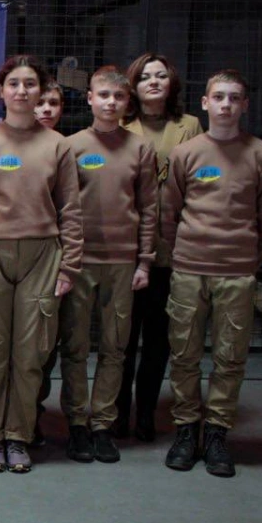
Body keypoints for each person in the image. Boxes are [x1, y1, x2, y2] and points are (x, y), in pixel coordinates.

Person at [0, 54, 82, 474]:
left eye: (30, 84)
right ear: (1, 91)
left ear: (41, 91)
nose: (22, 91)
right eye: (14, 84)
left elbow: (71, 210)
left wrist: (69, 266)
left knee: (30, 353)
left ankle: (18, 436)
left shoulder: (58, 145)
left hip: (43, 256)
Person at [161, 69, 262, 478]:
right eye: (219, 97)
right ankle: (186, 430)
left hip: (237, 272)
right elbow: (168, 211)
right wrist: (182, 250)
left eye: (234, 98)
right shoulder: (185, 153)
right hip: (189, 269)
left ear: (244, 105)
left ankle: (216, 434)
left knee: (230, 357)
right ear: (205, 103)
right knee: (184, 355)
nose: (226, 105)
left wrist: (250, 258)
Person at [57, 67, 157, 465]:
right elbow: (62, 207)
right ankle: (77, 423)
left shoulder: (140, 148)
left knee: (115, 347)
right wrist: (66, 260)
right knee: (75, 346)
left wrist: (144, 261)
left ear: (127, 102)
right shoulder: (71, 146)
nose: (110, 103)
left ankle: (102, 424)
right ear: (90, 98)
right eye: (103, 95)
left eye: (118, 97)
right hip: (80, 262)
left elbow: (149, 208)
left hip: (122, 262)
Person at [116, 53, 204, 441]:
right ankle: (118, 411)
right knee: (121, 338)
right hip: (125, 246)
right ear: (133, 87)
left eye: (161, 76)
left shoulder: (190, 126)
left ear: (172, 83)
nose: (153, 82)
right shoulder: (120, 124)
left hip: (171, 246)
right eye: (145, 77)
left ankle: (147, 412)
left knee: (158, 338)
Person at [32, 80, 66, 444]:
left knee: (44, 346)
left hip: (59, 259)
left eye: (53, 103)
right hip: (21, 259)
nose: (45, 109)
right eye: (39, 102)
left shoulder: (65, 149)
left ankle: (33, 414)